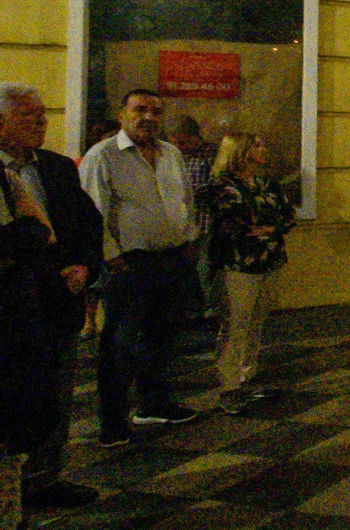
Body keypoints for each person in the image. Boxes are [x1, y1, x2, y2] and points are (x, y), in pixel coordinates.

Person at [0, 84, 102, 510]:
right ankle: (10, 486)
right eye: (29, 116)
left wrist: (85, 266)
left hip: (60, 301)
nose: (42, 122)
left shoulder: (59, 168)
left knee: (56, 394)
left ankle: (45, 479)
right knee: (15, 396)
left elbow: (88, 224)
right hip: (12, 307)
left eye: (43, 114)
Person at [79, 89, 200, 447]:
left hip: (172, 259)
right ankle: (112, 421)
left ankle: (154, 404)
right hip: (129, 265)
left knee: (162, 338)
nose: (148, 117)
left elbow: (185, 200)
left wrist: (189, 238)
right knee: (120, 344)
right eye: (139, 109)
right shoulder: (102, 156)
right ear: (122, 114)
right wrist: (111, 257)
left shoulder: (171, 153)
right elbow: (91, 213)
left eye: (156, 111)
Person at [208, 134, 296, 416]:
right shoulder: (223, 185)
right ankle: (229, 385)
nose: (264, 148)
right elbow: (235, 221)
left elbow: (288, 215)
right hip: (238, 264)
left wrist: (271, 228)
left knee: (257, 320)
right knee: (235, 324)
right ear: (240, 151)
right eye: (257, 145)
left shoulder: (267, 183)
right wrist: (267, 225)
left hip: (269, 261)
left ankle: (247, 375)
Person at [0, 167, 56, 530]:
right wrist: (19, 236)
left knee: (7, 444)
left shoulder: (6, 178)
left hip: (10, 325)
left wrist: (21, 237)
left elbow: (42, 233)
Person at [167, 115, 222, 324]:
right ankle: (187, 307)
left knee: (204, 265)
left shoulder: (210, 153)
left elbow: (219, 181)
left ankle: (210, 308)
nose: (179, 146)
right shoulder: (169, 154)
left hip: (203, 218)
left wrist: (194, 192)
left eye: (184, 141)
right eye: (175, 141)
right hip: (177, 221)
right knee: (182, 267)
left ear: (195, 137)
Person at [79, 120, 120, 342]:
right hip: (100, 241)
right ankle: (89, 321)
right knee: (94, 286)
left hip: (120, 246)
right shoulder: (93, 158)